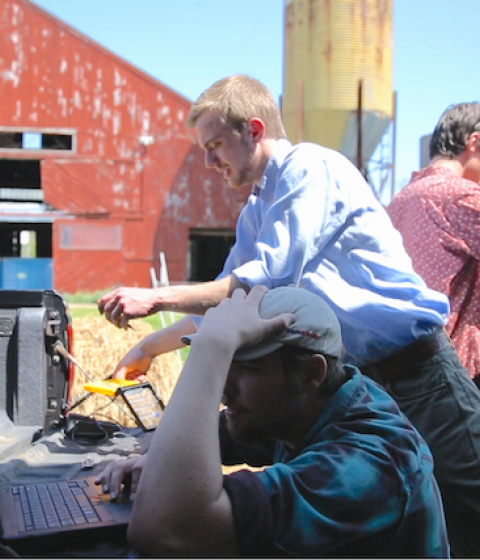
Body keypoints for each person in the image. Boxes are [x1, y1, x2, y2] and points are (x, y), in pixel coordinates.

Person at [97, 75, 480, 556]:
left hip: (419, 373)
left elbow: (268, 279)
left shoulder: (309, 168)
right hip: (350, 381)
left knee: (469, 515)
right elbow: (235, 301)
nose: (209, 161)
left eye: (215, 145)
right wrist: (149, 347)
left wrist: (155, 299)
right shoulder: (258, 207)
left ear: (253, 130)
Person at [97, 286, 449, 557]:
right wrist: (160, 464)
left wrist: (211, 351)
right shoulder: (310, 404)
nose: (223, 391)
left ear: (312, 372)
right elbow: (213, 436)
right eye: (226, 366)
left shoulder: (370, 464)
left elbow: (171, 530)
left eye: (247, 368)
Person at [388, 102, 480, 386]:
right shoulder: (462, 196)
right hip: (460, 375)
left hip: (407, 371)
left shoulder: (399, 201)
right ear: (474, 142)